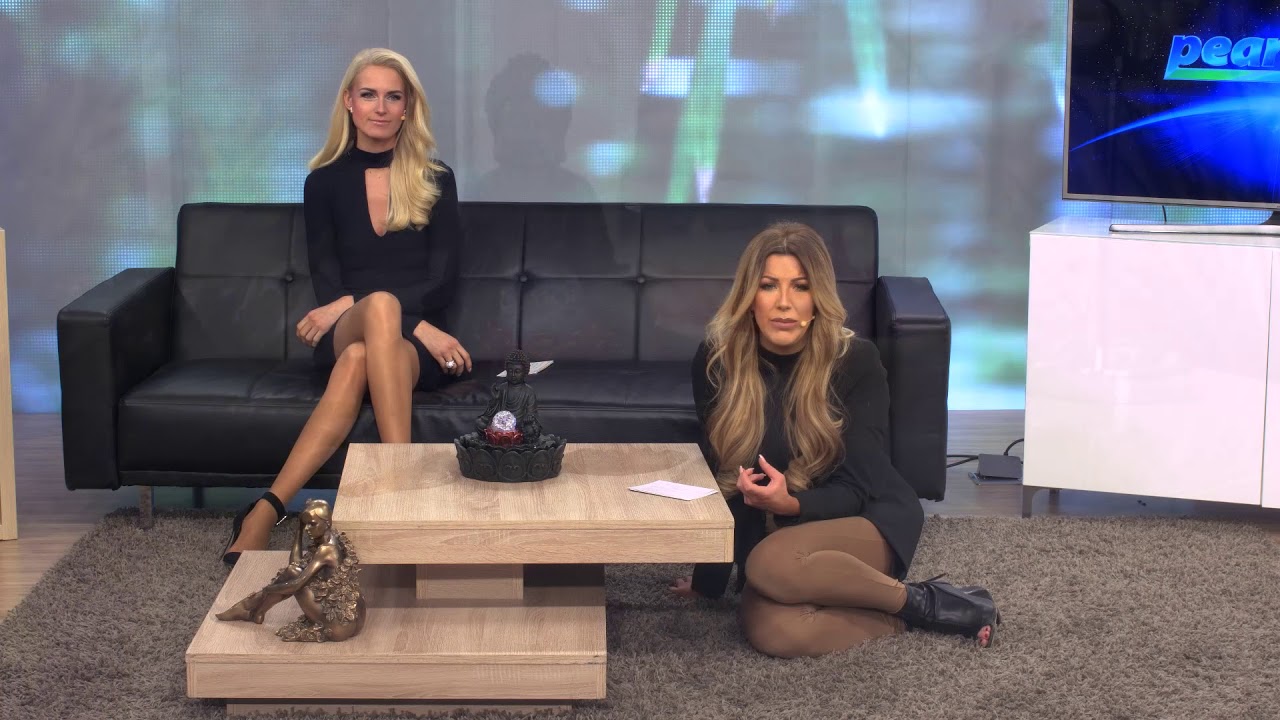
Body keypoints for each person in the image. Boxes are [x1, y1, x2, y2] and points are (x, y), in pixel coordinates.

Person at [669, 222, 1000, 657]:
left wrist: (791, 505)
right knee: (777, 632)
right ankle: (903, 614)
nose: (784, 302)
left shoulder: (855, 361)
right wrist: (707, 583)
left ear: (818, 298)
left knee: (770, 562)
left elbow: (859, 486)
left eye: (801, 287)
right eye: (768, 286)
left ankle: (926, 602)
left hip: (864, 514)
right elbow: (726, 474)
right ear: (749, 296)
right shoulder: (717, 360)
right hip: (779, 535)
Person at [221, 48, 473, 565]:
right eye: (369, 95)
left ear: (407, 107)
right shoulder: (323, 182)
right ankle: (399, 490)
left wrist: (407, 324)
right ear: (349, 103)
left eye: (393, 97)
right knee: (374, 310)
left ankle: (266, 509)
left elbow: (441, 282)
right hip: (349, 332)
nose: (380, 107)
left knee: (363, 352)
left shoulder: (436, 177)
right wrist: (417, 324)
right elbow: (329, 286)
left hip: (406, 351)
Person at [216, 499, 366, 643]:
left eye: (312, 524)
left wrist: (267, 590)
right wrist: (299, 529)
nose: (308, 529)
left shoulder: (326, 550)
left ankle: (253, 610)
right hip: (353, 618)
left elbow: (296, 584)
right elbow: (295, 563)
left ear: (327, 523)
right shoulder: (333, 538)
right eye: (306, 524)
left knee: (293, 573)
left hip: (338, 624)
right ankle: (255, 612)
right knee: (293, 570)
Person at [475, 349, 542, 439]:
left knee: (530, 430)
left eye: (517, 371)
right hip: (501, 424)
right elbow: (493, 412)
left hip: (520, 424)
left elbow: (532, 412)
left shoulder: (529, 391)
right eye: (510, 371)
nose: (513, 374)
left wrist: (529, 417)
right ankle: (499, 437)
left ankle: (511, 439)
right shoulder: (502, 388)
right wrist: (495, 400)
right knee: (480, 423)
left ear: (525, 372)